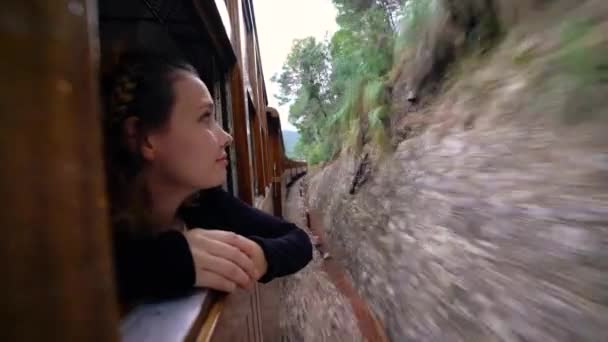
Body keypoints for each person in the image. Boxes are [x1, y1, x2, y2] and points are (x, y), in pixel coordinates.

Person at [101, 50, 312, 304]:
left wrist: (259, 255)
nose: (227, 138)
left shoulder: (204, 202)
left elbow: (299, 241)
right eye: (205, 118)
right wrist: (172, 259)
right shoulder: (92, 231)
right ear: (145, 138)